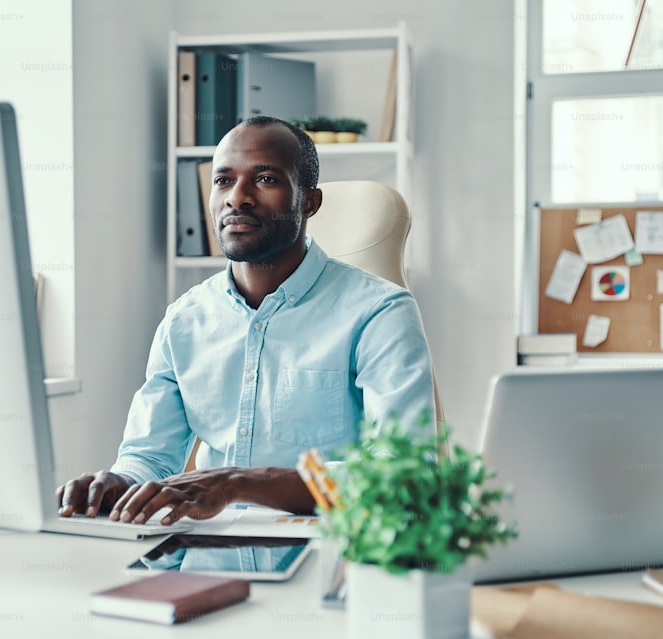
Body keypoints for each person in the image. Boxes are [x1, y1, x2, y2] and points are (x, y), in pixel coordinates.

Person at [57, 116, 435, 525]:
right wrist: (119, 482)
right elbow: (149, 456)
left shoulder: (379, 312)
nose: (238, 197)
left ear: (309, 202)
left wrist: (239, 482)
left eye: (266, 179)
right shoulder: (185, 321)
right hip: (203, 555)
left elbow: (405, 478)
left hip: (329, 560)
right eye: (222, 180)